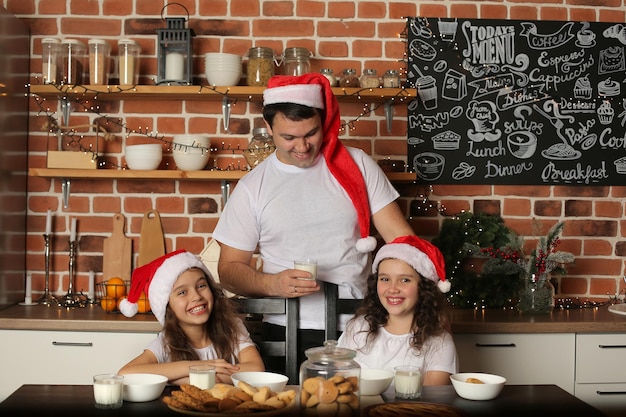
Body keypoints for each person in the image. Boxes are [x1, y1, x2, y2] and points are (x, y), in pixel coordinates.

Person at [212, 73, 415, 368]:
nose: (303, 146)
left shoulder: (357, 165)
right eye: (289, 137)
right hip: (283, 332)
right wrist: (272, 284)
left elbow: (403, 243)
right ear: (268, 128)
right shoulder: (252, 187)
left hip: (361, 328)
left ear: (324, 121)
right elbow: (229, 269)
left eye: (311, 133)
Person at [117, 249, 264, 384]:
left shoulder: (233, 327)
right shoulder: (166, 342)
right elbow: (126, 373)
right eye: (182, 292)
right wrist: (197, 367)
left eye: (201, 286)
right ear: (167, 307)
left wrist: (181, 379)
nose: (196, 296)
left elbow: (256, 369)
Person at [337, 235, 457, 385]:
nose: (392, 289)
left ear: (424, 288)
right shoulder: (358, 327)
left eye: (405, 280)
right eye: (385, 279)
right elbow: (337, 382)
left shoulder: (439, 342)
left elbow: (430, 402)